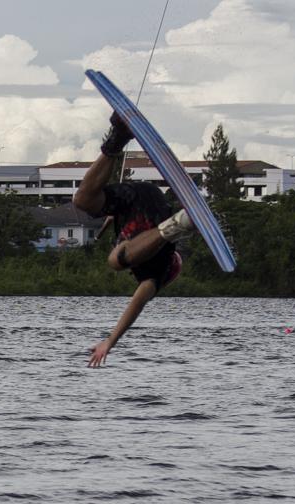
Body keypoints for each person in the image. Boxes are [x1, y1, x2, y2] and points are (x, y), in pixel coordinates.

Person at [73, 112, 194, 368]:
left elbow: (135, 306)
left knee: (82, 201)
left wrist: (110, 341)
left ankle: (116, 140)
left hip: (141, 195)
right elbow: (134, 308)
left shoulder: (150, 270)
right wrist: (110, 342)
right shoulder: (154, 277)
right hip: (151, 206)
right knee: (117, 261)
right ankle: (176, 224)